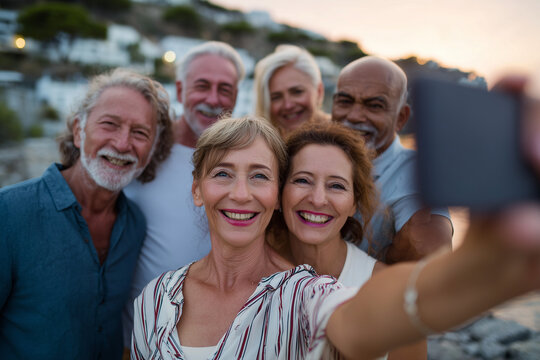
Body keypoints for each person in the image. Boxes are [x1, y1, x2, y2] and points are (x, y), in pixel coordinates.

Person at [131, 115, 540, 359]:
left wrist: (472, 273)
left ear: (275, 195)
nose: (241, 193)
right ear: (197, 189)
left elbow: (355, 319)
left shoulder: (305, 294)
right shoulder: (155, 299)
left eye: (259, 176)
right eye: (222, 173)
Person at [0, 68, 173, 359]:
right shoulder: (9, 213)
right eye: (110, 124)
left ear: (152, 149)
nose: (122, 143)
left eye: (140, 133)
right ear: (79, 131)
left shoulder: (134, 226)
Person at [122, 41, 245, 345]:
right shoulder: (142, 150)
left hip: (216, 344)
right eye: (202, 86)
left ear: (237, 97)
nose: (213, 99)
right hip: (137, 340)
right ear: (180, 91)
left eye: (225, 89)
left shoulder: (244, 160)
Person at [270, 121, 426, 359]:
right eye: (302, 180)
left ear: (354, 203)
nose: (318, 199)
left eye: (336, 186)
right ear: (280, 194)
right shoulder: (253, 274)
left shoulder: (393, 295)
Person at [332, 55, 453, 263]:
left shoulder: (416, 171)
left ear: (401, 118)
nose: (354, 116)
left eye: (375, 106)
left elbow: (433, 255)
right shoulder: (317, 155)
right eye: (345, 101)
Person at [254, 45, 329, 137]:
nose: (288, 105)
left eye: (297, 92)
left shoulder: (344, 141)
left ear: (319, 91)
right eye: (276, 97)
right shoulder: (259, 147)